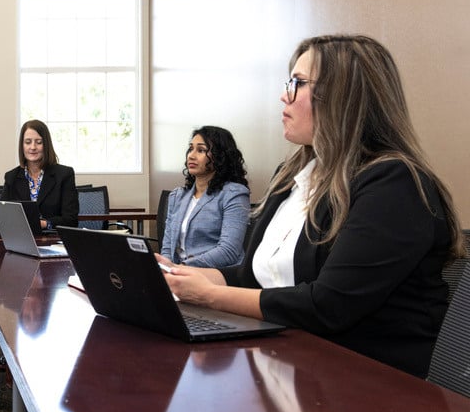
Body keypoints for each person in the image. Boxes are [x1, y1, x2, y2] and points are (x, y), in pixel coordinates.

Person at [159, 35, 465, 378]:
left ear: (343, 96)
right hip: (293, 366)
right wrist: (174, 275)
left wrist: (209, 296)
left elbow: (328, 306)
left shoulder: (393, 183)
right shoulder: (292, 176)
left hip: (370, 385)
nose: (283, 94)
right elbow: (254, 277)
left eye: (298, 83)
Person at [160, 126, 250, 268]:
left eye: (201, 150)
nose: (191, 155)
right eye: (191, 149)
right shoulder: (177, 196)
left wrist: (182, 267)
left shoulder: (234, 194)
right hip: (179, 273)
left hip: (215, 274)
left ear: (220, 156)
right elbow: (167, 248)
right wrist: (165, 267)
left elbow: (229, 251)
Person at [0, 119, 79, 230]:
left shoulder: (64, 175)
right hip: (21, 238)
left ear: (46, 145)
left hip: (53, 240)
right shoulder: (11, 177)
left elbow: (71, 220)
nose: (33, 147)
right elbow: (2, 216)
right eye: (28, 142)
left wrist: (43, 224)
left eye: (39, 142)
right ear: (22, 145)